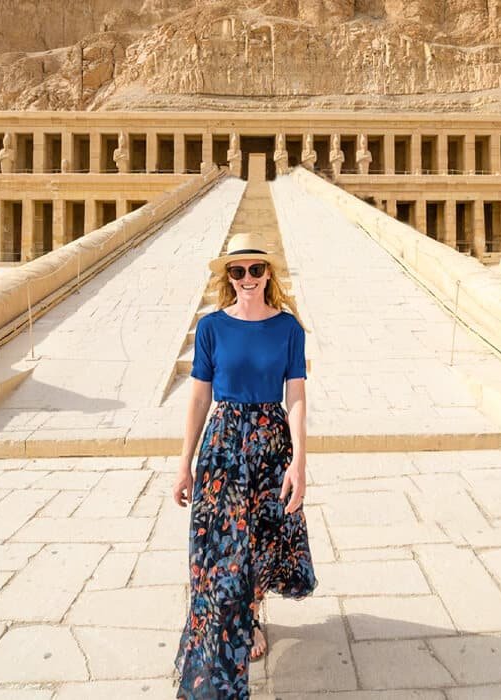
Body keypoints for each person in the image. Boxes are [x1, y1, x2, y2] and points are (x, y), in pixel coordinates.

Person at [172, 231, 317, 698]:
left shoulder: (289, 329)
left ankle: (249, 619)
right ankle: (217, 654)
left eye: (256, 269)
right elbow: (198, 398)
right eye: (238, 271)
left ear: (269, 273)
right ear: (228, 278)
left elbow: (295, 395)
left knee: (258, 546)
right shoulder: (212, 327)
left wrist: (299, 461)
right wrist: (184, 464)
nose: (248, 278)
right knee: (221, 558)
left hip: (271, 445)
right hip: (223, 447)